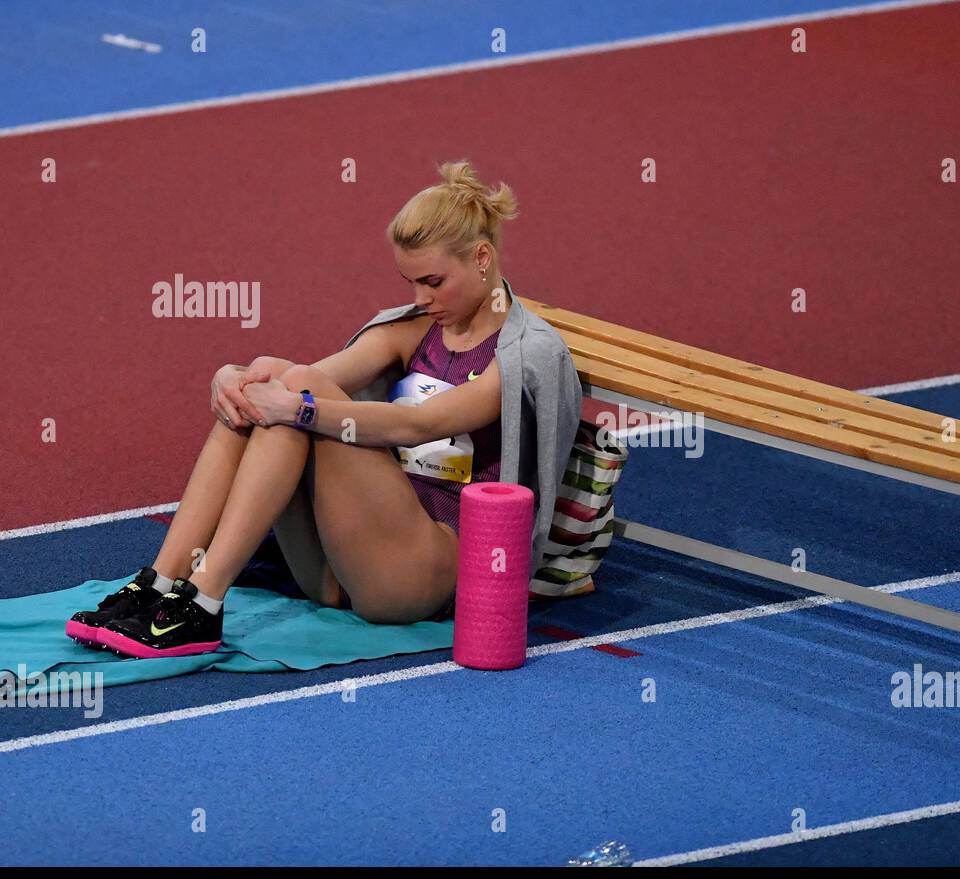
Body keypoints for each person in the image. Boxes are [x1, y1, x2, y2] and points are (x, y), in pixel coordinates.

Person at [66, 160, 584, 658]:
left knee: (299, 399)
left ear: (482, 259)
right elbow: (303, 376)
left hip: (427, 573)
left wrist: (298, 406)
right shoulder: (414, 328)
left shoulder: (523, 353)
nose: (422, 297)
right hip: (346, 561)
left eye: (433, 282)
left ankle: (204, 599)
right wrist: (236, 379)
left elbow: (422, 421)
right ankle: (162, 581)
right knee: (280, 388)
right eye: (410, 283)